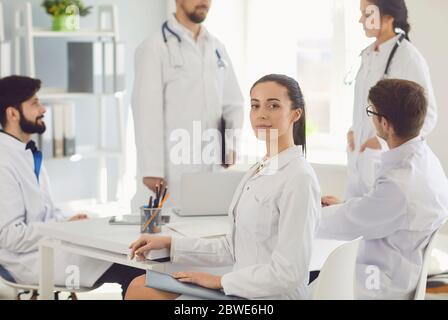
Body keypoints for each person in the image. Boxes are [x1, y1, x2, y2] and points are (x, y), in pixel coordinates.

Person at [125, 74, 321, 300]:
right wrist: (171, 244)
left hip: (269, 298)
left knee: (144, 293)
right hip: (243, 291)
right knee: (141, 285)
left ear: (296, 114)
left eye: (273, 105)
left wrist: (219, 281)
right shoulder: (260, 170)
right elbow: (233, 247)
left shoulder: (299, 178)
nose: (262, 114)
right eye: (255, 106)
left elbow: (289, 273)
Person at [0, 76, 145, 298]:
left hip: (47, 247)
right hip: (26, 260)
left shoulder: (26, 151)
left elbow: (45, 212)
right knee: (133, 268)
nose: (43, 109)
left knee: (135, 258)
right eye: (35, 103)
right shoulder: (4, 161)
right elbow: (9, 236)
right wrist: (61, 229)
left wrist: (66, 222)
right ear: (12, 113)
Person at [320, 79, 448, 299]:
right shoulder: (425, 160)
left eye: (372, 112)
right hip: (401, 269)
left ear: (385, 123)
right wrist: (347, 206)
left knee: (306, 281)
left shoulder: (399, 184)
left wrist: (302, 213)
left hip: (376, 284)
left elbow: (349, 223)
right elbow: (376, 210)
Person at [131, 0, 244, 206]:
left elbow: (233, 103)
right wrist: (151, 170)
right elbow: (146, 112)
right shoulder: (154, 47)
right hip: (171, 172)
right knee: (171, 232)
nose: (204, 2)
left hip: (211, 167)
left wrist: (230, 146)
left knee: (206, 230)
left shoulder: (217, 47)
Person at [345, 0, 437, 199]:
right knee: (353, 216)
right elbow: (363, 104)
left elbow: (427, 116)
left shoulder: (409, 58)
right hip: (359, 159)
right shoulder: (367, 54)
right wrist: (354, 132)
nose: (361, 20)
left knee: (376, 220)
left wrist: (381, 142)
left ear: (388, 18)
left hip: (383, 160)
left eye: (367, 14)